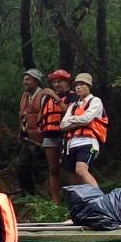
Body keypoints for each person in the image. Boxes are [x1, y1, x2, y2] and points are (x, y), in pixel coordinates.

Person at [59, 73, 108, 188]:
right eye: (76, 85)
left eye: (82, 84)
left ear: (89, 86)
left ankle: (100, 198)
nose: (78, 87)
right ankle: (80, 203)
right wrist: (77, 120)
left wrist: (71, 120)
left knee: (81, 170)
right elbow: (62, 125)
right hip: (70, 144)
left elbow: (87, 119)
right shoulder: (73, 106)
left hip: (87, 141)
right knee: (73, 176)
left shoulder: (95, 101)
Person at [37, 68, 73, 202]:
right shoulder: (47, 99)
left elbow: (70, 113)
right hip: (50, 136)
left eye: (60, 81)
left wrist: (56, 98)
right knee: (53, 169)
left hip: (66, 135)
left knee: (71, 168)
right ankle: (55, 202)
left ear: (67, 82)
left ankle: (74, 200)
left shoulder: (72, 96)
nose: (57, 85)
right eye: (54, 82)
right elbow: (42, 115)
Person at [17, 68, 46, 192]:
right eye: (24, 79)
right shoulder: (25, 96)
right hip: (26, 139)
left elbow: (47, 117)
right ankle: (28, 197)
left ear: (36, 81)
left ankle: (43, 199)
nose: (25, 82)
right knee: (23, 168)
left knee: (39, 169)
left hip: (39, 141)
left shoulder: (43, 96)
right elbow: (22, 115)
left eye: (28, 79)